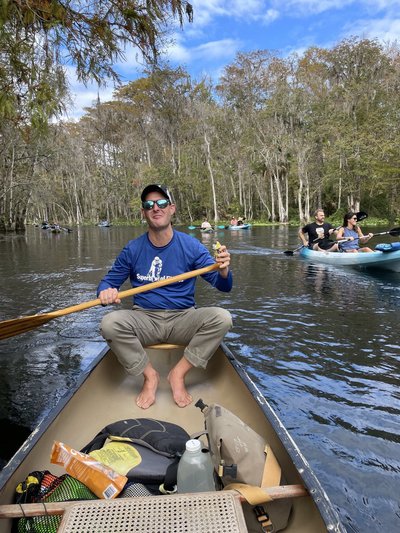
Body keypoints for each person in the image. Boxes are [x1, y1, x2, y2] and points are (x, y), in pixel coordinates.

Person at [98, 184, 233, 410]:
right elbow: (107, 283)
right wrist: (106, 291)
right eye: (149, 204)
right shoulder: (133, 249)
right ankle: (149, 376)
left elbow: (224, 286)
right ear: (143, 212)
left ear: (172, 209)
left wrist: (224, 270)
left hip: (183, 318)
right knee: (109, 323)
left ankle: (177, 374)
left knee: (222, 318)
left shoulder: (191, 246)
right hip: (145, 319)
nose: (155, 208)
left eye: (161, 203)